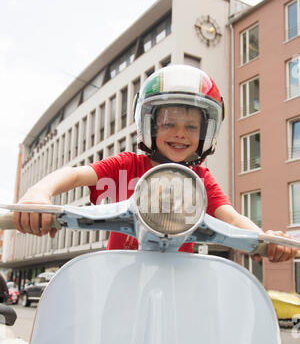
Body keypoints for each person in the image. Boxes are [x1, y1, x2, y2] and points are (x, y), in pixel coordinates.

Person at [13, 65, 298, 262]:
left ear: (206, 132)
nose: (180, 133)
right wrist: (39, 193)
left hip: (176, 285)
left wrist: (262, 238)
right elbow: (75, 176)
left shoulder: (201, 179)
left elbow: (233, 219)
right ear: (148, 125)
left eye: (191, 126)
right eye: (168, 123)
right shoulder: (127, 165)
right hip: (121, 276)